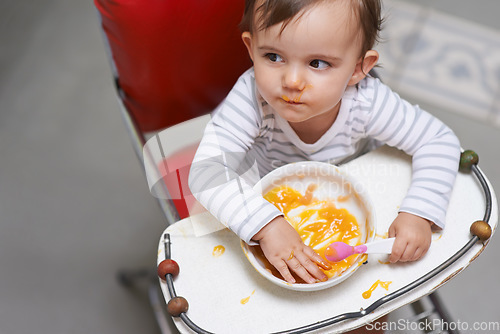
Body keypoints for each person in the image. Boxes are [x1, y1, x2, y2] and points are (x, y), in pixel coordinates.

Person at [188, 0, 460, 285]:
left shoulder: (367, 102)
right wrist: (265, 225)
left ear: (358, 69)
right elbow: (207, 172)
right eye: (273, 56)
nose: (292, 81)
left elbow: (438, 140)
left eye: (317, 63)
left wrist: (419, 212)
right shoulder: (251, 99)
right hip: (270, 201)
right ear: (251, 48)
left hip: (357, 200)